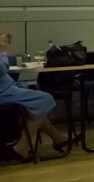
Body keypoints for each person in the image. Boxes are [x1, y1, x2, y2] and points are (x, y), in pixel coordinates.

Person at [1, 31, 71, 162]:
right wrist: (2, 50)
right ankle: (21, 147)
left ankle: (58, 138)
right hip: (4, 92)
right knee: (44, 99)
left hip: (8, 88)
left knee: (36, 106)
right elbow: (2, 68)